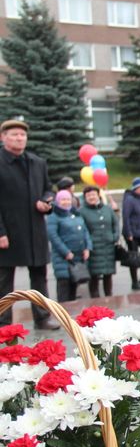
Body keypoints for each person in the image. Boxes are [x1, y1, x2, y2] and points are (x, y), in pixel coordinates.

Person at [0, 119, 59, 330]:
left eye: (22, 135)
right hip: (8, 231)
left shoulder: (37, 162)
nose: (19, 138)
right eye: (14, 134)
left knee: (39, 277)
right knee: (4, 280)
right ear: (3, 137)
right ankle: (3, 323)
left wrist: (47, 203)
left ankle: (42, 317)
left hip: (34, 229)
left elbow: (48, 189)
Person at [46, 190, 91, 303]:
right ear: (57, 201)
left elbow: (85, 232)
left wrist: (87, 247)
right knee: (64, 289)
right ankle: (62, 316)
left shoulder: (75, 214)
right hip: (63, 259)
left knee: (73, 288)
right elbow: (53, 237)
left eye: (68, 199)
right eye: (63, 199)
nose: (66, 202)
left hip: (77, 257)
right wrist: (65, 252)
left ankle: (71, 316)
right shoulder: (53, 217)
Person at [80, 185, 117, 298]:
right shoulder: (82, 211)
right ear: (85, 197)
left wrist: (114, 237)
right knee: (94, 276)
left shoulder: (107, 209)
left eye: (94, 194)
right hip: (93, 249)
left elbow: (115, 224)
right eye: (88, 195)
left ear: (98, 195)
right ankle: (95, 302)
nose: (91, 197)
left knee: (108, 274)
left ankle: (109, 299)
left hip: (108, 247)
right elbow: (82, 230)